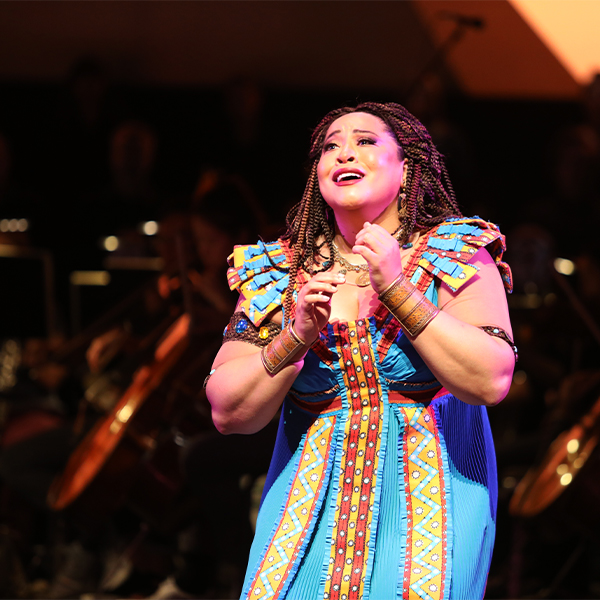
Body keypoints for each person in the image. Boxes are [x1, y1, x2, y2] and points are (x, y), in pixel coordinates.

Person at [206, 101, 517, 600]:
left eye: (365, 141)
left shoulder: (455, 253)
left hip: (430, 504)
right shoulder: (277, 273)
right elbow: (228, 411)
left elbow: (490, 379)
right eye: (330, 146)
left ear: (407, 167)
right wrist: (294, 336)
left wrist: (396, 288)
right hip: (305, 509)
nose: (344, 153)